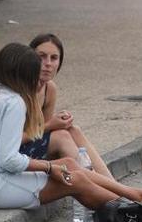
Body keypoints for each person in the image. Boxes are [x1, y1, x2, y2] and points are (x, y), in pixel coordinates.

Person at [0, 42, 142, 215]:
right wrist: (48, 167)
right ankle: (140, 206)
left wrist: (53, 166)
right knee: (74, 179)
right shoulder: (13, 101)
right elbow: (8, 160)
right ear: (22, 73)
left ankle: (140, 204)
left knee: (70, 166)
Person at [20, 34, 114, 180]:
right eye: (41, 57)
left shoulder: (49, 88)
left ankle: (112, 184)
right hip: (12, 155)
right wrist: (51, 124)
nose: (48, 63)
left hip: (32, 148)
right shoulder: (19, 91)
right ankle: (103, 188)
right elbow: (10, 141)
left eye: (54, 58)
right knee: (61, 136)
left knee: (72, 129)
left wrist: (60, 122)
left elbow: (44, 132)